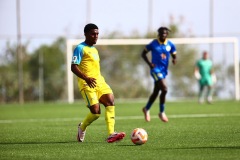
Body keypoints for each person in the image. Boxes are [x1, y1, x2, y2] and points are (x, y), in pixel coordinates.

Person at [71, 23, 125, 143]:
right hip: (87, 84)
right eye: (93, 34)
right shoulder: (80, 48)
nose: (95, 36)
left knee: (110, 102)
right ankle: (82, 126)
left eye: (97, 34)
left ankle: (111, 133)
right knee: (96, 113)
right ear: (85, 34)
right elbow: (73, 67)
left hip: (99, 82)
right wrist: (86, 78)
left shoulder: (94, 50)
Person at [141, 27, 177, 122]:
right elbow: (143, 54)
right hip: (155, 70)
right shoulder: (153, 43)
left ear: (167, 34)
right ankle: (161, 112)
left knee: (156, 92)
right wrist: (149, 64)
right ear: (158, 34)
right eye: (161, 33)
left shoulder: (170, 44)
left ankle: (146, 108)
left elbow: (173, 52)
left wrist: (174, 58)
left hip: (164, 71)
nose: (163, 35)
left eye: (165, 33)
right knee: (164, 89)